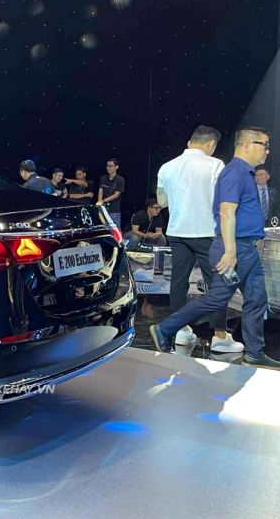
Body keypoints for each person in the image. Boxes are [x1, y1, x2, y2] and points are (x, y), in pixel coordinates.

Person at [151, 126, 280, 368]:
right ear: (246, 145)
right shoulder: (228, 170)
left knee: (255, 298)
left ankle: (254, 352)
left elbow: (162, 200)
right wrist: (230, 250)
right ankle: (172, 329)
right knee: (217, 297)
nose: (267, 151)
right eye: (264, 145)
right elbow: (226, 211)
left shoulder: (168, 167)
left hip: (185, 231)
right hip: (227, 243)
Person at [157, 125, 241, 353]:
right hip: (207, 234)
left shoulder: (167, 167)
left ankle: (180, 331)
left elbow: (161, 201)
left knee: (178, 283)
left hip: (176, 232)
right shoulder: (215, 165)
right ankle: (220, 337)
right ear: (211, 144)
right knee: (219, 285)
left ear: (189, 142)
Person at [97, 158, 125, 228]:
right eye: (107, 166)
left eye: (111, 166)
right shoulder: (103, 178)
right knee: (103, 228)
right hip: (103, 207)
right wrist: (100, 202)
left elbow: (116, 194)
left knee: (115, 228)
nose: (108, 168)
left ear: (116, 167)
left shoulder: (120, 179)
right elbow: (100, 190)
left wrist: (103, 201)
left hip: (114, 209)